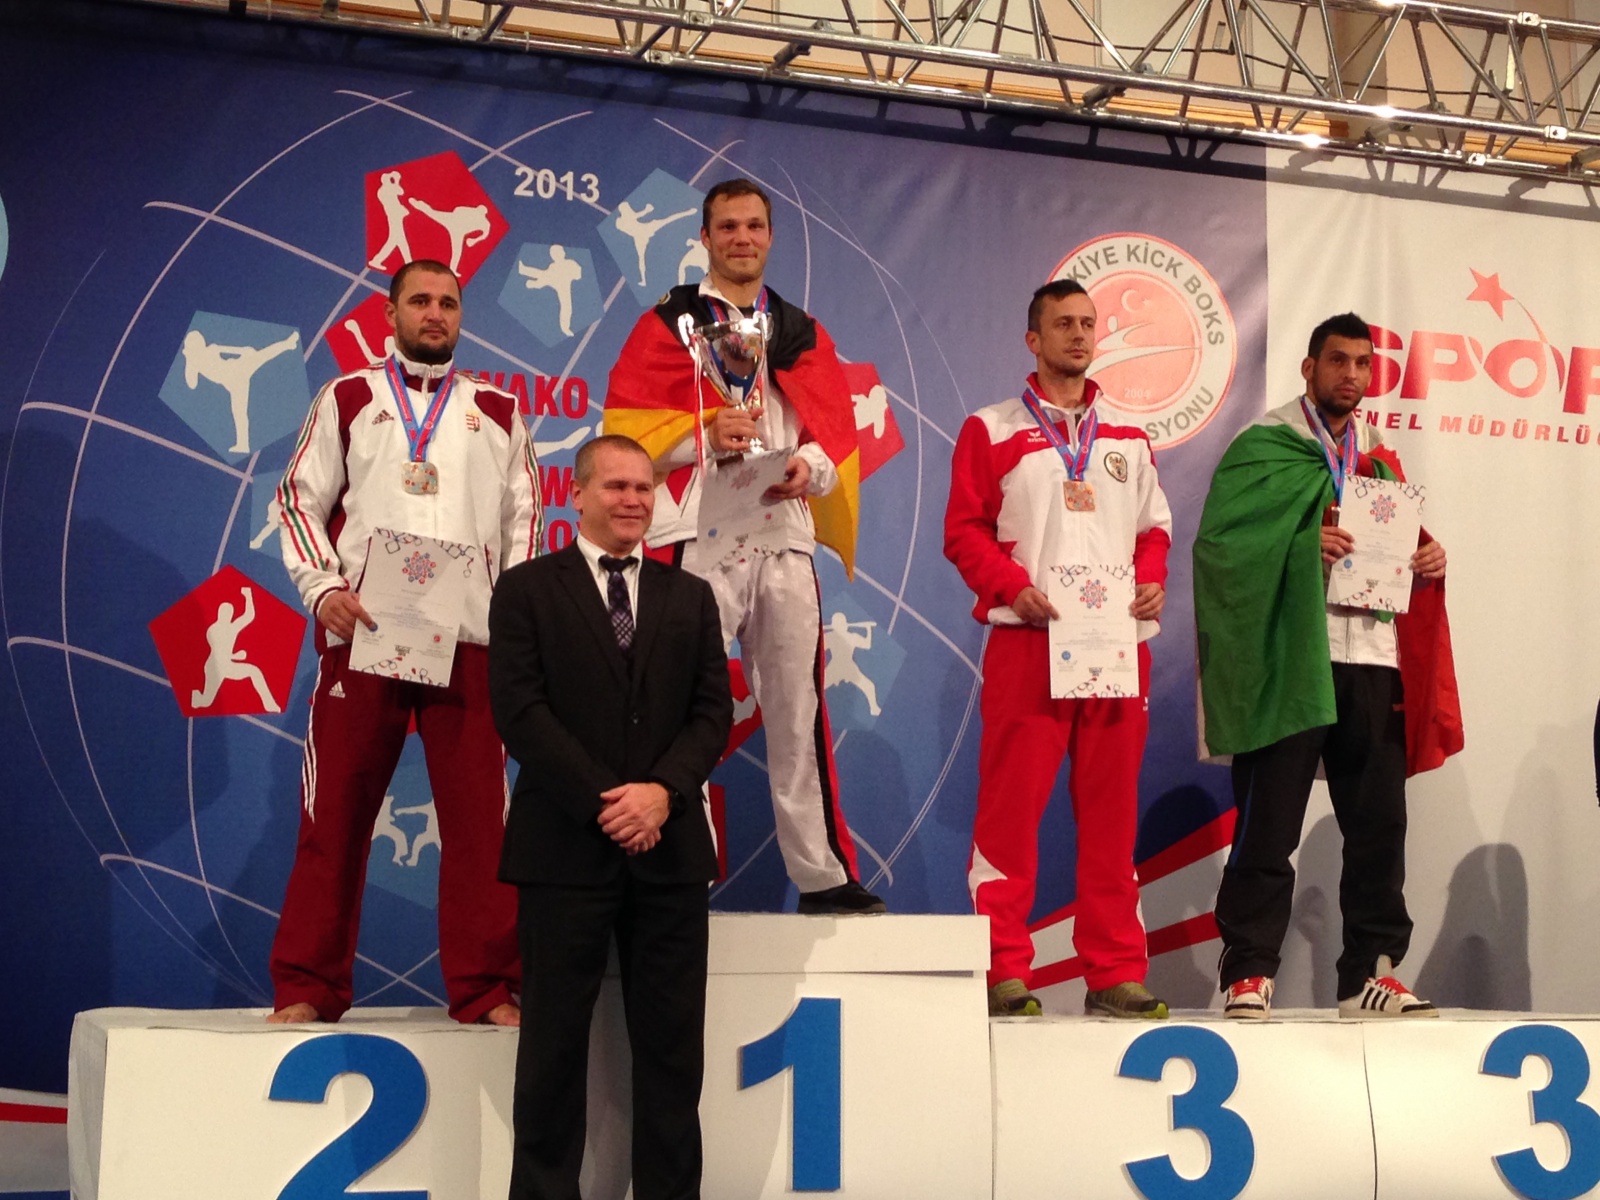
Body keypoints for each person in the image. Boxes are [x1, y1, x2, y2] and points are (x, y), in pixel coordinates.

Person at [268, 258, 541, 1026]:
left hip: (470, 640)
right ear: (389, 314)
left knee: (481, 825)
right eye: (419, 300)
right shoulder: (347, 398)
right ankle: (308, 985)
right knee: (335, 818)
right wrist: (324, 588)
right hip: (365, 632)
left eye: (448, 302)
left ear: (461, 315)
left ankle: (488, 989)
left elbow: (524, 520)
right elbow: (297, 500)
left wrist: (515, 617)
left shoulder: (498, 410)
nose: (435, 313)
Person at [603, 178, 883, 915]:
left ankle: (822, 875)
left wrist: (810, 467)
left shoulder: (800, 330)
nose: (742, 239)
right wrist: (703, 434)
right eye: (727, 226)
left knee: (798, 706)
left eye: (754, 226)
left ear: (770, 236)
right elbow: (625, 437)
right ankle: (673, 869)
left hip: (783, 533)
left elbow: (834, 433)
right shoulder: (667, 324)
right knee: (674, 701)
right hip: (697, 535)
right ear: (704, 237)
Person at [1194, 311, 1463, 1021]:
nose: (1352, 374)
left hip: (1371, 655)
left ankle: (1369, 974)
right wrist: (1298, 547)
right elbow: (1219, 551)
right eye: (1338, 361)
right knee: (1269, 823)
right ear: (1309, 368)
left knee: (1380, 827)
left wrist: (1428, 557)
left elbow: (1398, 543)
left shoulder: (1379, 458)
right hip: (1292, 656)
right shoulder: (1265, 446)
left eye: (1363, 363)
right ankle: (1249, 971)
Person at [490, 435, 732, 1200]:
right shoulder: (525, 590)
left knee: (672, 1057)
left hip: (670, 854)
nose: (633, 500)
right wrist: (611, 801)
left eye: (643, 487)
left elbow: (713, 714)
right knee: (552, 1054)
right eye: (616, 486)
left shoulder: (691, 596)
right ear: (578, 494)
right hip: (563, 852)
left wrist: (661, 793)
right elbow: (521, 714)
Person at [944, 279, 1173, 1019]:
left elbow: (1154, 531)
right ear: (1033, 340)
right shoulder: (990, 429)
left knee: (1111, 819)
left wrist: (1151, 581)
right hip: (1029, 642)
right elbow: (963, 531)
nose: (1078, 335)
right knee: (1009, 816)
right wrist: (1012, 587)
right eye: (1063, 324)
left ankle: (1114, 971)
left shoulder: (1128, 438)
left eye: (1087, 323)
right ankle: (1002, 968)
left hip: (1116, 646)